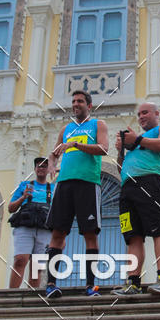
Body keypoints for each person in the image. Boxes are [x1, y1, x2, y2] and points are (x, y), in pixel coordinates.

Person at [44, 90, 109, 299]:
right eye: (73, 101)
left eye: (80, 101)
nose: (75, 104)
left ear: (89, 106)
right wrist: (52, 166)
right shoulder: (66, 129)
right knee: (57, 234)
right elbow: (53, 153)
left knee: (90, 234)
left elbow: (103, 149)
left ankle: (90, 286)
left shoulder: (98, 124)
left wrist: (75, 144)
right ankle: (51, 284)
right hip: (64, 184)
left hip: (88, 183)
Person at [112, 102, 160, 296]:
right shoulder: (136, 143)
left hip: (150, 182)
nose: (141, 116)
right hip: (127, 188)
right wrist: (121, 149)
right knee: (133, 237)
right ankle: (133, 283)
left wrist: (137, 139)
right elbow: (120, 169)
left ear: (157, 113)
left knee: (158, 229)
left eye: (145, 112)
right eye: (139, 114)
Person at [8, 157, 56, 289]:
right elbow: (11, 208)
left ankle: (32, 297)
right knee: (20, 259)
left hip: (44, 229)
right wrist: (23, 197)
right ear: (35, 169)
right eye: (38, 166)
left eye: (44, 166)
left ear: (48, 169)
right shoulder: (24, 186)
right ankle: (11, 296)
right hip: (25, 226)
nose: (41, 168)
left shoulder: (53, 188)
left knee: (37, 267)